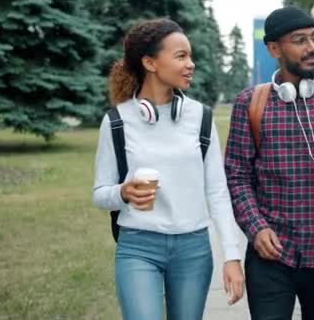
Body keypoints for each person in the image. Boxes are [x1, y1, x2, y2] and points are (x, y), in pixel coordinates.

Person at [224, 6, 314, 320]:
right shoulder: (249, 103)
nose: (312, 47)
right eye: (300, 40)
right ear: (274, 49)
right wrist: (256, 227)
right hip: (270, 257)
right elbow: (237, 176)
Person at [92, 18, 244, 320]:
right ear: (150, 62)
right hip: (137, 246)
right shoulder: (117, 121)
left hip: (193, 249)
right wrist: (123, 192)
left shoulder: (201, 118)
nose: (191, 64)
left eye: (190, 56)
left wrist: (232, 256)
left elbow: (217, 191)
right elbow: (100, 194)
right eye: (181, 56)